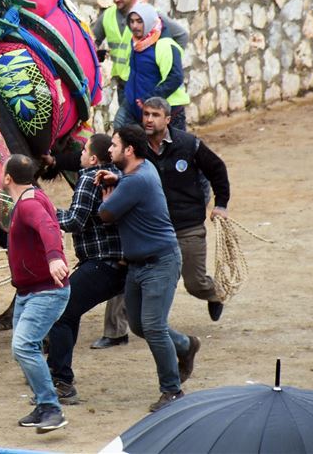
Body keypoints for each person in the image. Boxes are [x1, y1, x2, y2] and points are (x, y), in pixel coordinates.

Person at [96, 125, 200, 413]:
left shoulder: (134, 182)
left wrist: (108, 198)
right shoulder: (143, 169)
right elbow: (130, 182)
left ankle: (172, 390)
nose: (109, 149)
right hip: (139, 265)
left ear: (129, 150)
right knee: (140, 326)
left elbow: (106, 214)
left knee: (153, 327)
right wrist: (116, 178)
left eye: (114, 145)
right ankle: (185, 345)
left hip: (160, 263)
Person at [46, 134, 126, 404]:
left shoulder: (88, 177)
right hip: (119, 263)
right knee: (71, 311)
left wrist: (43, 211)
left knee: (61, 312)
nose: (79, 154)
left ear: (93, 159)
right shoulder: (117, 173)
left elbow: (74, 221)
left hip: (102, 263)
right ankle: (57, 371)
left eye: (84, 151)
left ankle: (61, 381)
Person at [142, 97, 230, 321]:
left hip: (187, 226)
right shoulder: (136, 145)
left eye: (155, 115)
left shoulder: (188, 144)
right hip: (153, 228)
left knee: (194, 283)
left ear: (168, 119)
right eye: (146, 114)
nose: (149, 119)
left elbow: (217, 169)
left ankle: (215, 294)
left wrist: (221, 204)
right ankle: (124, 329)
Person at [3, 154, 70, 433]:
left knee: (23, 346)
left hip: (45, 293)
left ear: (7, 178)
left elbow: (47, 226)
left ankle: (52, 408)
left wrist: (55, 257)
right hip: (28, 292)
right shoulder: (33, 196)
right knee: (21, 350)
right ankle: (43, 404)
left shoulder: (29, 204)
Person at [92, 0, 189, 113]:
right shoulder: (107, 16)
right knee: (128, 128)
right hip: (123, 85)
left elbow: (181, 36)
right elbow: (92, 42)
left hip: (145, 84)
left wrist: (171, 61)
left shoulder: (151, 16)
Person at [116, 2, 189, 130]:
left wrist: (149, 98)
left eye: (139, 21)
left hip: (167, 112)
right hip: (136, 108)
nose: (134, 26)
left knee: (171, 149)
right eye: (131, 21)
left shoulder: (165, 45)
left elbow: (175, 77)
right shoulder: (136, 43)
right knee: (119, 132)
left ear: (149, 21)